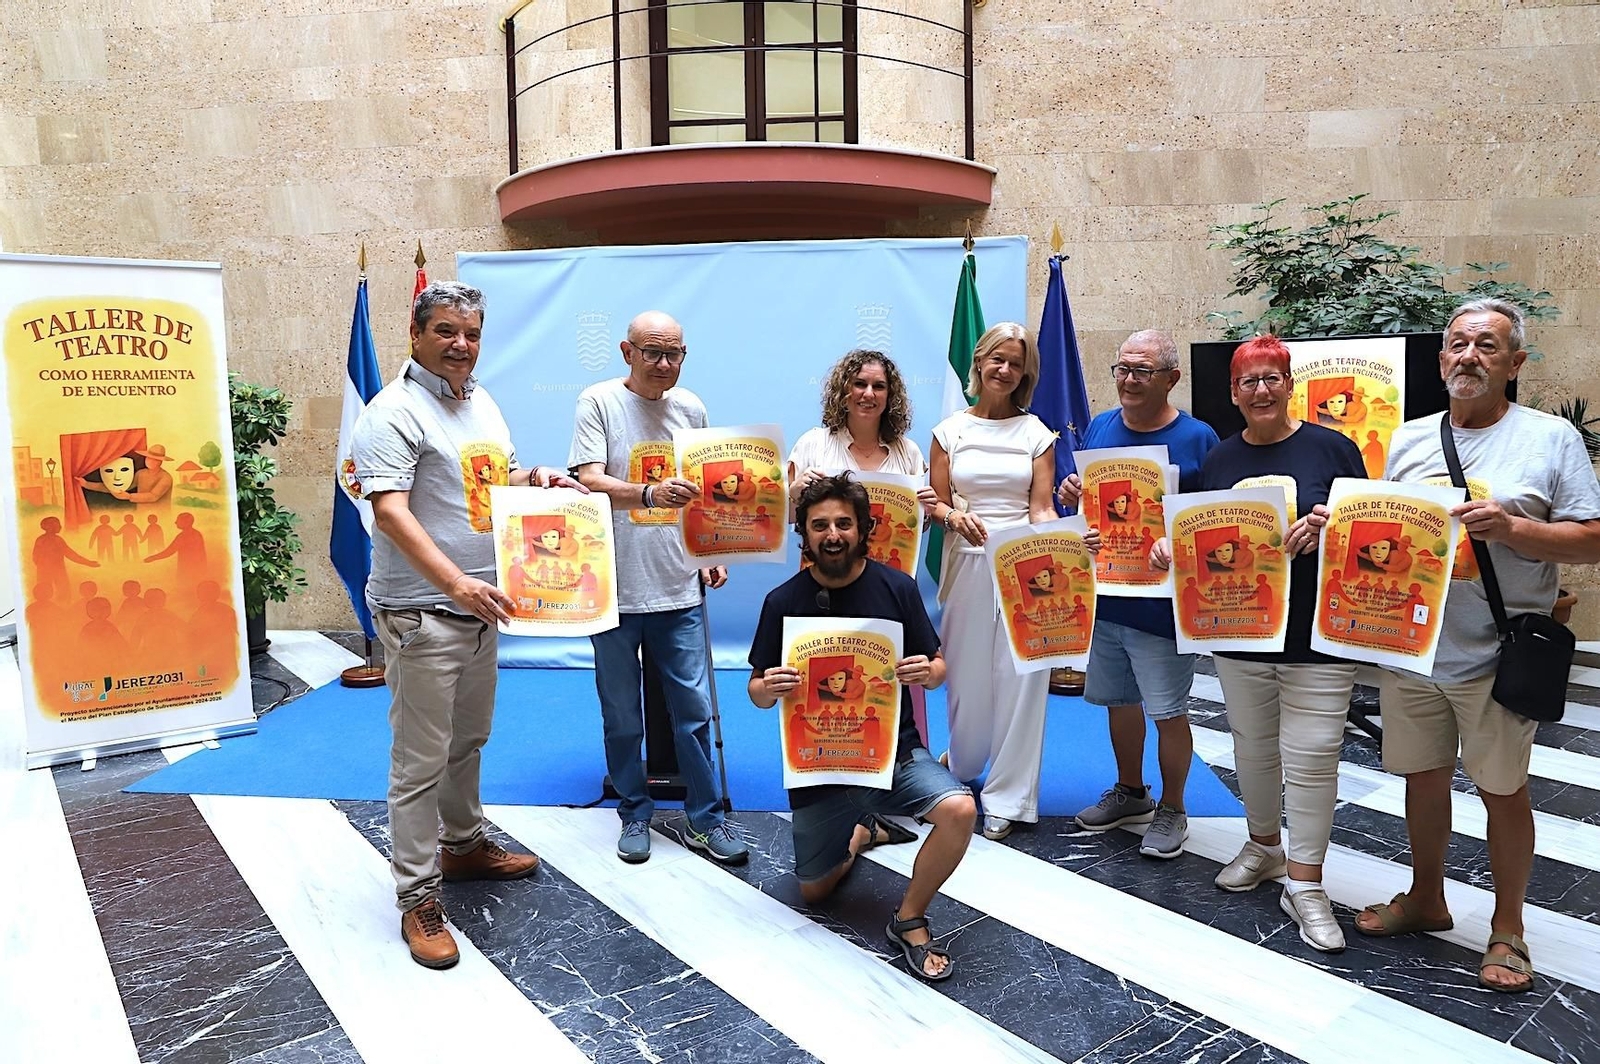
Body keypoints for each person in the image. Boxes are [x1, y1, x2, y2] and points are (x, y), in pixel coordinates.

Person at [1355, 298, 1600, 992]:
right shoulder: (1405, 440)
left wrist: (1515, 530)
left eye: (1487, 347)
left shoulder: (1550, 440)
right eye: (1458, 345)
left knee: (1502, 791)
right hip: (1412, 646)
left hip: (1498, 653)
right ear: (1440, 361)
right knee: (1423, 779)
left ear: (1514, 363)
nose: (1469, 357)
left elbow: (1594, 535)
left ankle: (1509, 929)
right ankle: (1427, 898)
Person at [352, 280, 582, 970]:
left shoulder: (480, 402)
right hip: (423, 610)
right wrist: (452, 580)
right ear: (417, 332)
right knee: (420, 759)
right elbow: (390, 511)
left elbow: (495, 483)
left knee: (469, 737)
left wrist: (537, 480)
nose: (461, 345)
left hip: (482, 606)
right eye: (447, 331)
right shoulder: (391, 413)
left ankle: (463, 846)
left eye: (472, 334)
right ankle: (417, 895)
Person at [1153, 335, 1366, 952]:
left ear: (1289, 382)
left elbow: (1369, 532)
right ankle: (1264, 845)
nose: (1263, 390)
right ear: (1233, 392)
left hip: (1318, 637)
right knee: (1251, 748)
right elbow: (1203, 539)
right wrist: (1172, 548)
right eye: (1250, 381)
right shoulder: (1219, 460)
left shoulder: (1335, 448)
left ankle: (1307, 882)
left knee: (1314, 753)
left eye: (1273, 378)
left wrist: (1332, 524)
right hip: (1240, 633)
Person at [748, 474, 975, 981]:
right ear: (804, 535)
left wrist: (928, 672)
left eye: (844, 523)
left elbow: (937, 670)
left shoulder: (898, 587)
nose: (833, 534)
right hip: (818, 768)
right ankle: (862, 832)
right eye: (820, 524)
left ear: (864, 528)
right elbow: (757, 692)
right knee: (815, 891)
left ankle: (909, 917)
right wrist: (771, 687)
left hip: (894, 755)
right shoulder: (782, 602)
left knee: (960, 809)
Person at [569, 310, 748, 866]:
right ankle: (635, 811)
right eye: (652, 352)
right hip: (613, 589)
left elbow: (705, 494)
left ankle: (705, 819)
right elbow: (587, 480)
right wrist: (648, 495)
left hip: (678, 587)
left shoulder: (691, 407)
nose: (664, 364)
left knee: (693, 710)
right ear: (627, 352)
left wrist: (710, 552)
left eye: (674, 354)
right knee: (622, 713)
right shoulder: (597, 402)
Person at [1057, 330, 1220, 858]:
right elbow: (1088, 504)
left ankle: (1173, 807)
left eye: (1142, 371)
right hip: (1107, 593)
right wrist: (1071, 495)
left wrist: (1179, 544)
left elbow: (1215, 522)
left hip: (1164, 604)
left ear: (1171, 379)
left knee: (1168, 710)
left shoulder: (1199, 438)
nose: (1129, 380)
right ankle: (1131, 791)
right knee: (1118, 702)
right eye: (1123, 369)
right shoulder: (1102, 425)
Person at [926, 322, 1063, 841]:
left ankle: (1009, 795)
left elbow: (1043, 508)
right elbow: (935, 501)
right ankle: (961, 764)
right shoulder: (949, 432)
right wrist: (949, 517)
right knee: (965, 672)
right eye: (996, 360)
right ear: (979, 363)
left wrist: (1070, 543)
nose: (1005, 370)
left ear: (1025, 371)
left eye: (1015, 362)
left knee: (1022, 676)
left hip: (1026, 561)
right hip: (965, 557)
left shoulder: (1036, 433)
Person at [787, 348, 926, 509]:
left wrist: (925, 512)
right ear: (843, 390)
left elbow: (916, 526)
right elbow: (785, 519)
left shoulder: (909, 452)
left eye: (878, 386)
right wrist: (794, 495)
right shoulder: (812, 444)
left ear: (890, 396)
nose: (868, 394)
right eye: (860, 384)